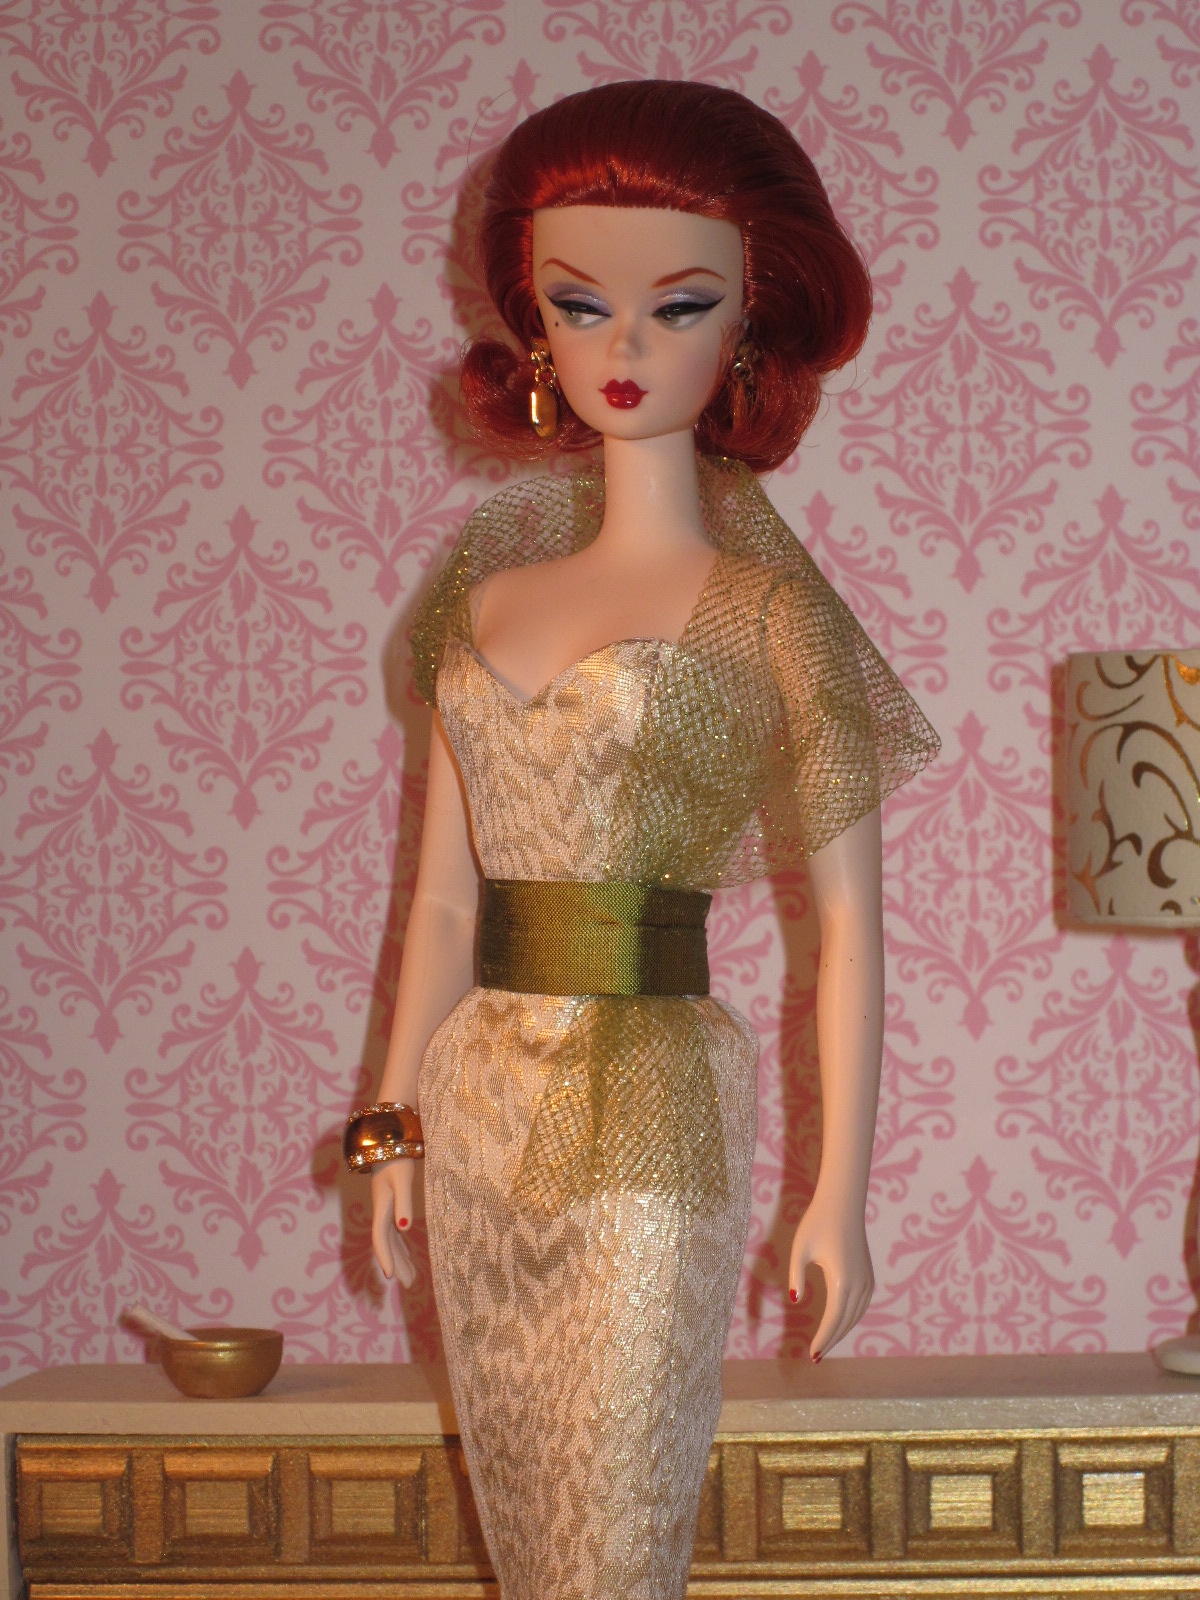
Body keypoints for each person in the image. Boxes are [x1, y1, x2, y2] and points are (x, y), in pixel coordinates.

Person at [341, 80, 940, 1600]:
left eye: (678, 306)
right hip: (483, 1102)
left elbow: (847, 929)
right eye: (579, 303)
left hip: (655, 1106)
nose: (624, 346)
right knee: (527, 1520)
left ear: (750, 325)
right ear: (533, 325)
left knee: (616, 1531)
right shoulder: (486, 597)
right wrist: (391, 1125)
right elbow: (441, 910)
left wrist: (838, 1191)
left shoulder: (770, 614)